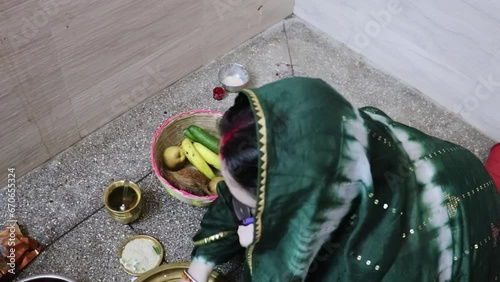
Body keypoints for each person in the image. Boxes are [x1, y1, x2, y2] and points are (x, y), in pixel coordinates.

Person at [180, 77, 500, 282]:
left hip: (458, 226)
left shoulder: (385, 264)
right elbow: (234, 197)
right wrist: (198, 270)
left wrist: (261, 252)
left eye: (256, 207)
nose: (232, 197)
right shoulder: (341, 130)